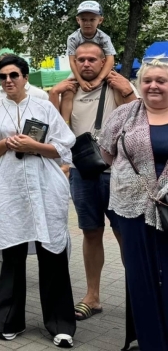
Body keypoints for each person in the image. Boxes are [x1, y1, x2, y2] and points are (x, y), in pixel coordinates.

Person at [0, 55, 77, 348]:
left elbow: (64, 147)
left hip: (44, 186)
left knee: (52, 253)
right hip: (8, 188)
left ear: (25, 77)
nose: (8, 81)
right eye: (3, 76)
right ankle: (9, 320)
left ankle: (60, 324)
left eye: (14, 75)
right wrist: (5, 143)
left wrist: (35, 146)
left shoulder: (44, 107)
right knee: (12, 254)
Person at [49, 41, 137, 321]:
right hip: (82, 173)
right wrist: (54, 95)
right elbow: (59, 133)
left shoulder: (118, 87)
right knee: (90, 232)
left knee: (126, 233)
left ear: (102, 62)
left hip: (118, 175)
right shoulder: (69, 91)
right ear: (75, 62)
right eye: (81, 59)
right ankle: (93, 296)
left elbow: (138, 123)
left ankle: (138, 293)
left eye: (92, 59)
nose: (86, 64)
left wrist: (128, 93)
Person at [99, 58, 168, 349]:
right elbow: (106, 153)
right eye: (147, 80)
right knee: (141, 278)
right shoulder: (124, 114)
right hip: (133, 209)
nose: (153, 85)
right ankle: (151, 342)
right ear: (139, 85)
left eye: (161, 81)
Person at [67, 1, 116, 93]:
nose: (87, 23)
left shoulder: (104, 38)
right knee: (68, 89)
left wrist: (99, 79)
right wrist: (80, 81)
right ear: (78, 20)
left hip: (102, 69)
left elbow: (110, 60)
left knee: (118, 83)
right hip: (81, 71)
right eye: (84, 20)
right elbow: (72, 61)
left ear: (100, 20)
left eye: (92, 19)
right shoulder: (72, 38)